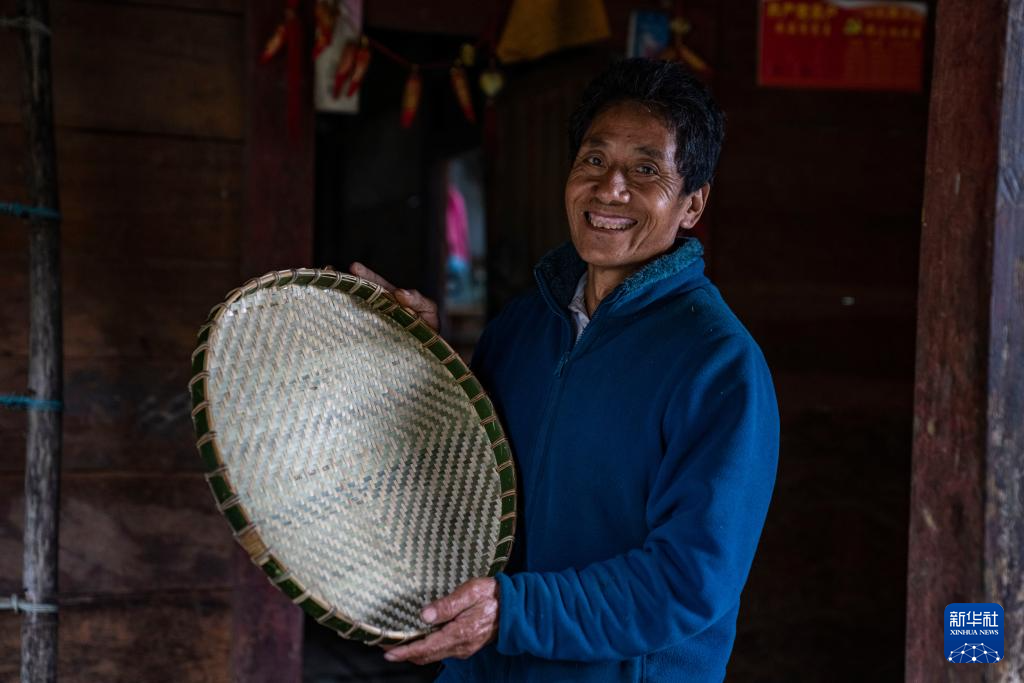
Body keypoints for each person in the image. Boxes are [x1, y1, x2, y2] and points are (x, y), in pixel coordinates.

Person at [350, 58, 779, 682]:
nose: (610, 189)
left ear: (693, 204)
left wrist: (515, 612)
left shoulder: (718, 366)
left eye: (646, 170)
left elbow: (689, 580)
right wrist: (426, 359)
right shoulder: (522, 327)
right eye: (594, 159)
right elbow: (467, 478)